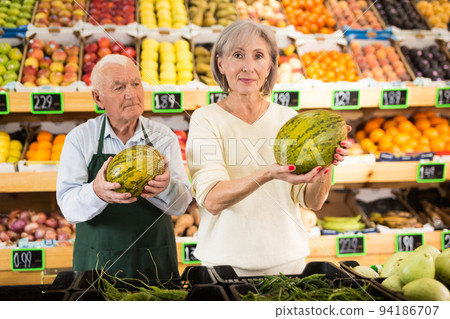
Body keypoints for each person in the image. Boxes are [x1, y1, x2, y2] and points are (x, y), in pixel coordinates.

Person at [186, 20, 352, 276]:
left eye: (258, 56)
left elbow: (312, 201)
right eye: (237, 55)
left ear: (270, 66)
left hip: (289, 265)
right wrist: (268, 173)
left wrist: (326, 165)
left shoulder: (289, 118)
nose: (248, 67)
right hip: (225, 267)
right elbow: (212, 199)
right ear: (221, 63)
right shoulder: (205, 119)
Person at [56, 54, 192, 280]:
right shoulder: (80, 139)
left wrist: (166, 188)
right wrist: (96, 192)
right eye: (119, 87)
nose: (131, 94)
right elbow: (68, 208)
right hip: (98, 268)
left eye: (136, 84)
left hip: (155, 264)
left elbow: (182, 204)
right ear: (98, 98)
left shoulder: (163, 137)